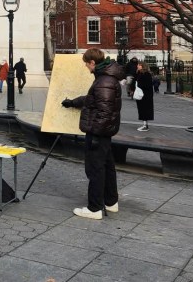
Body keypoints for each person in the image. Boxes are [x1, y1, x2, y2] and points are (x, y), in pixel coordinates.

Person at [61, 47, 125, 220]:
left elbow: (104, 112)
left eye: (86, 64)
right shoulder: (106, 78)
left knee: (95, 169)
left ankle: (94, 208)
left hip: (98, 133)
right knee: (107, 167)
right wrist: (72, 102)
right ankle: (111, 202)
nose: (85, 67)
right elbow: (93, 100)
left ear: (92, 62)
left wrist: (95, 134)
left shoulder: (104, 80)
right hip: (104, 132)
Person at [135, 61, 154, 132]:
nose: (137, 66)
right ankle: (144, 124)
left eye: (139, 65)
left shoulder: (146, 74)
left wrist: (139, 85)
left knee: (145, 110)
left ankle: (145, 125)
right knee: (142, 110)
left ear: (143, 66)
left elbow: (147, 85)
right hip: (141, 94)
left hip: (145, 95)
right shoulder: (139, 73)